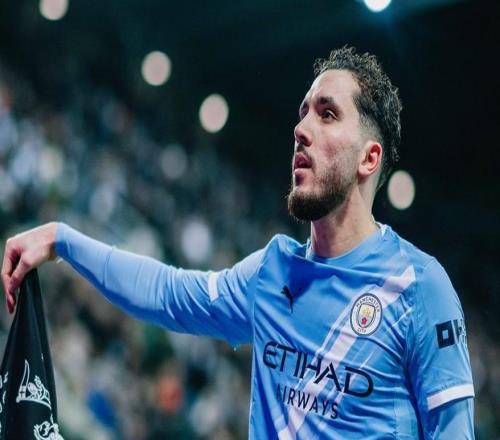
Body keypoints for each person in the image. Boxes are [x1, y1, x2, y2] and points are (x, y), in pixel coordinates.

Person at [2, 47, 474, 439]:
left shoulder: (418, 287)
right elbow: (166, 292)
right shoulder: (272, 272)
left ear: (368, 159)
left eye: (327, 114)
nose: (301, 130)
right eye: (303, 114)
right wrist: (62, 239)